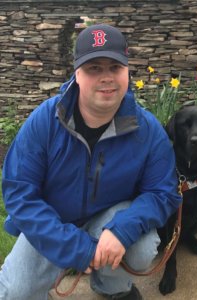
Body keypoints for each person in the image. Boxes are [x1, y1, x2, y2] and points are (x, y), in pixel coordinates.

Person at [0, 24, 181, 300]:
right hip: (52, 219)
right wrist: (77, 248)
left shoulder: (148, 130)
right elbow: (19, 193)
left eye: (114, 67)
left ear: (127, 71)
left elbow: (163, 192)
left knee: (142, 248)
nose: (106, 77)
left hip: (110, 217)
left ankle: (112, 288)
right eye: (94, 68)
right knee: (15, 293)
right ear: (77, 73)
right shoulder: (44, 121)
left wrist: (123, 230)